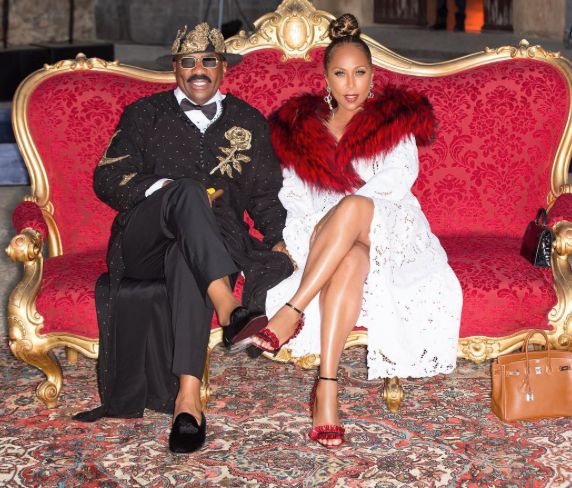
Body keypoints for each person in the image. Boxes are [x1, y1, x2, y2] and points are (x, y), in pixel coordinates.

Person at [73, 22, 294, 454]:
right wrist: (168, 190)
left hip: (216, 241)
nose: (198, 70)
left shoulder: (250, 121)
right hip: (144, 241)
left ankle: (187, 402)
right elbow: (108, 178)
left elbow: (266, 194)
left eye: (208, 61)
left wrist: (277, 237)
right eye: (188, 62)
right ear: (175, 68)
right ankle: (228, 307)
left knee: (186, 257)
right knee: (188, 191)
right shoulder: (144, 114)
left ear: (223, 67)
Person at [251, 14, 463, 448]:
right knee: (350, 257)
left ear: (373, 75)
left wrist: (344, 212)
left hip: (391, 226)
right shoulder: (301, 130)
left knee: (352, 207)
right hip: (325, 236)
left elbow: (397, 180)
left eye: (360, 72)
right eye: (340, 74)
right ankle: (327, 388)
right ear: (325, 79)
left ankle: (293, 310)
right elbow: (292, 193)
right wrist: (319, 225)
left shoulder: (392, 122)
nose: (351, 84)